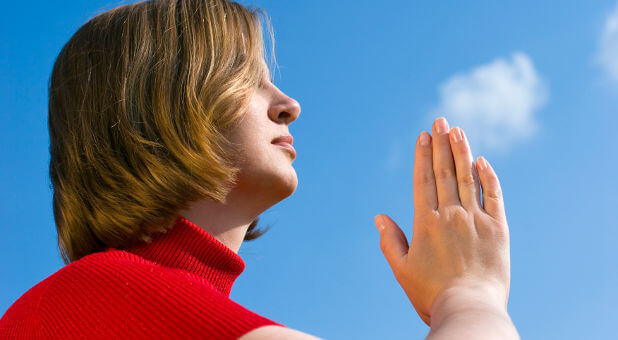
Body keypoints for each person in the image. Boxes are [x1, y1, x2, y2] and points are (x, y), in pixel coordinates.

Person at [0, 0, 519, 338]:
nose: (289, 104)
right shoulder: (95, 297)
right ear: (155, 104)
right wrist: (467, 295)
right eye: (245, 77)